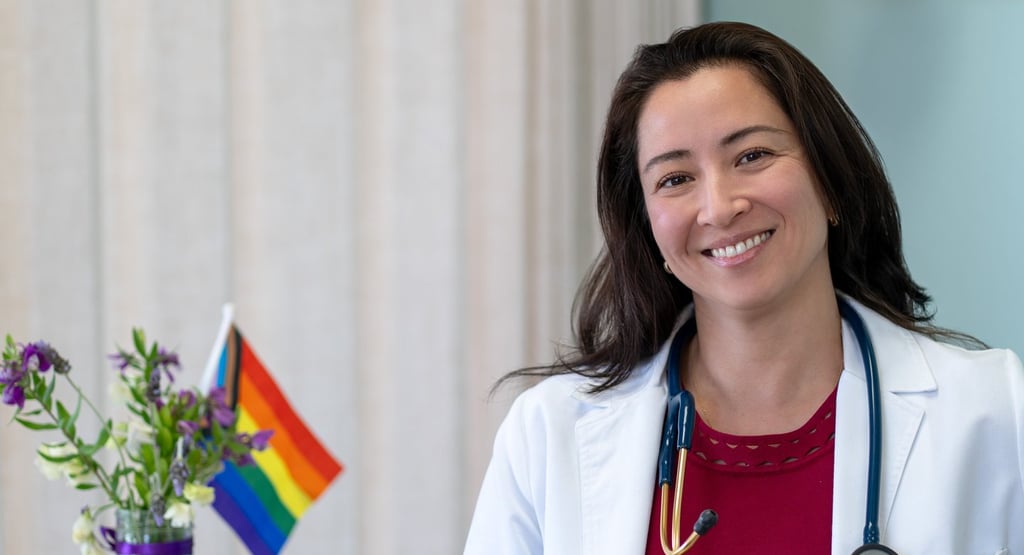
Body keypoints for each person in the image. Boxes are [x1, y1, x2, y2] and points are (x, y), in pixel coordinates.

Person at [464, 21, 1024, 555]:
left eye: (752, 156)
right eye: (675, 178)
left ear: (829, 181)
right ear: (648, 226)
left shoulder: (996, 411)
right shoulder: (548, 435)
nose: (719, 206)